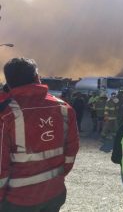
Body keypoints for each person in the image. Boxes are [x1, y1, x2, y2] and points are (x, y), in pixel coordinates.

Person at [0, 57, 79, 211]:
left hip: (16, 202)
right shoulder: (64, 108)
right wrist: (55, 180)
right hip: (53, 195)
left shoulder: (6, 114)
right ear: (37, 77)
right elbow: (71, 153)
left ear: (8, 83)